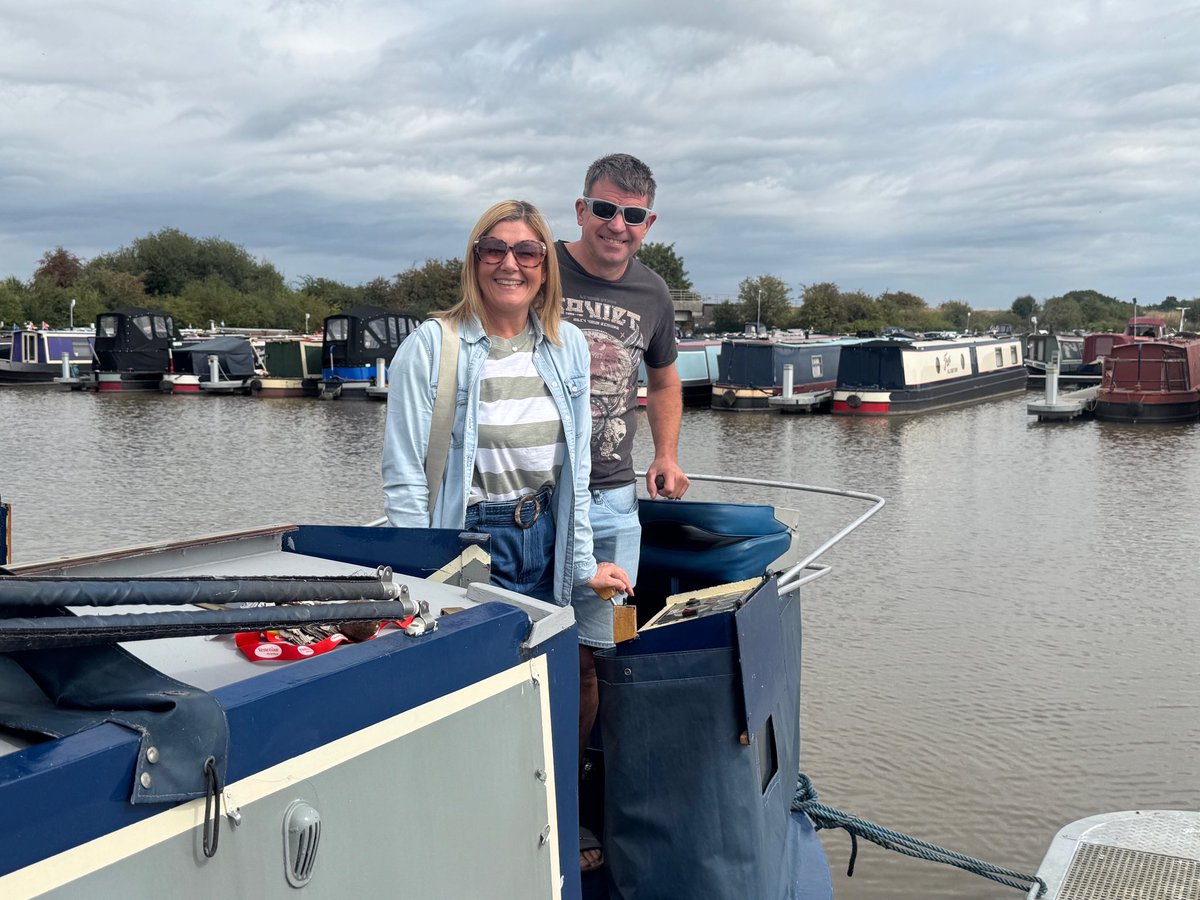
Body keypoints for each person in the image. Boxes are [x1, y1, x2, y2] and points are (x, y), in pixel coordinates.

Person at [381, 199, 631, 618]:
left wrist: (584, 564)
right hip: (466, 547)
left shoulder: (567, 345)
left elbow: (576, 472)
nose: (510, 264)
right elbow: (405, 476)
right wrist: (417, 578)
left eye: (528, 252)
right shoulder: (430, 346)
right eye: (494, 249)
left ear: (545, 269)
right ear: (475, 260)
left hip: (545, 541)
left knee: (539, 655)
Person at [557, 154, 691, 869]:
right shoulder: (537, 268)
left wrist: (666, 454)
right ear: (581, 209)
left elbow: (663, 380)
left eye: (632, 215)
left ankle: (573, 799)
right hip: (531, 502)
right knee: (516, 642)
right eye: (605, 209)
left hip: (611, 503)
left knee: (598, 657)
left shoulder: (654, 292)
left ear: (649, 222)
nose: (617, 225)